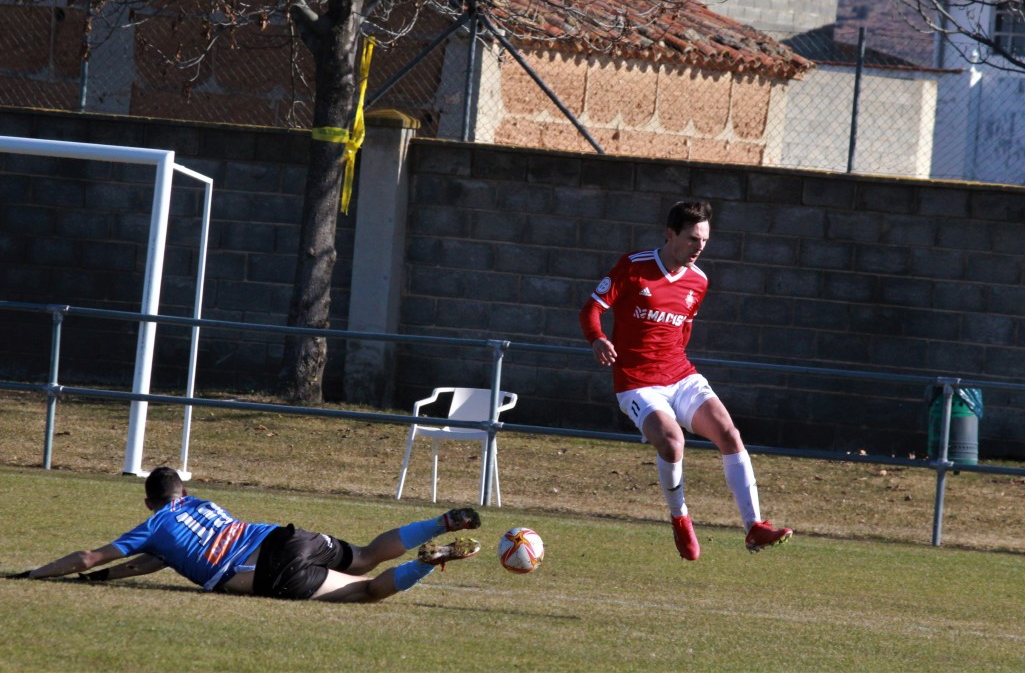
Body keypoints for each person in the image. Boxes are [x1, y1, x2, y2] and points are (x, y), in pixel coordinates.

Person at [579, 199, 792, 560]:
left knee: (729, 433)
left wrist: (678, 370)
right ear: (670, 234)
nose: (699, 247)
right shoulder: (633, 267)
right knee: (673, 443)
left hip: (680, 375)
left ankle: (754, 526)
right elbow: (592, 309)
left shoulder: (699, 281)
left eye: (705, 240)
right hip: (637, 382)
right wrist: (598, 338)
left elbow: (684, 329)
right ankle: (680, 518)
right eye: (693, 239)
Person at [6, 466, 481, 602]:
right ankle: (440, 524)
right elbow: (161, 559)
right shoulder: (204, 503)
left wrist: (33, 573)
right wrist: (112, 579)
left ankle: (425, 561)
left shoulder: (154, 526)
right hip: (287, 536)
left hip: (264, 569)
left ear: (150, 503)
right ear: (184, 490)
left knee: (366, 592)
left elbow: (90, 557)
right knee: (366, 555)